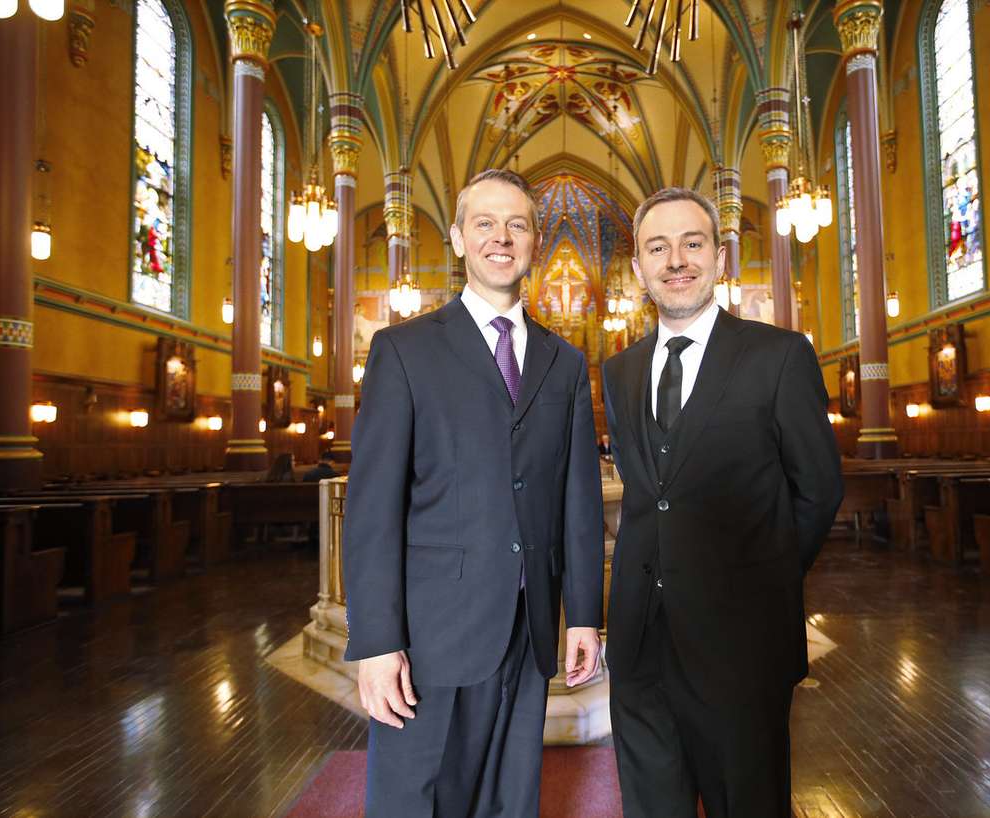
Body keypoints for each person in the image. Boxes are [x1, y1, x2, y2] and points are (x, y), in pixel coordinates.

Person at [342, 169, 606, 818]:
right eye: (484, 223)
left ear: (534, 242)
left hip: (527, 625)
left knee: (510, 799)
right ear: (458, 238)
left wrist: (585, 614)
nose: (501, 237)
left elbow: (578, 500)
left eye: (517, 224)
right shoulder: (403, 350)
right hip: (430, 629)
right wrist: (376, 639)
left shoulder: (563, 362)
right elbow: (373, 506)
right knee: (415, 799)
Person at [601, 187, 843, 818]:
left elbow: (817, 490)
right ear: (639, 267)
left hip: (743, 640)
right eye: (658, 246)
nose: (675, 259)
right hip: (639, 642)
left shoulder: (778, 356)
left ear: (721, 256)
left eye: (692, 243)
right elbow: (648, 492)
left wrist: (762, 582)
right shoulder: (618, 371)